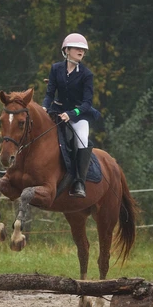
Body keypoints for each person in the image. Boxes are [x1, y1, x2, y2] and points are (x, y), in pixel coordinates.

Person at [42, 33, 101, 198]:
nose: (81, 51)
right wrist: (44, 108)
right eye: (77, 48)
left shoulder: (86, 74)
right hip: (57, 112)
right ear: (66, 50)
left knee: (81, 140)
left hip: (78, 115)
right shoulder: (56, 69)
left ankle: (79, 182)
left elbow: (87, 103)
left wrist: (71, 114)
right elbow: (49, 94)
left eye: (83, 49)